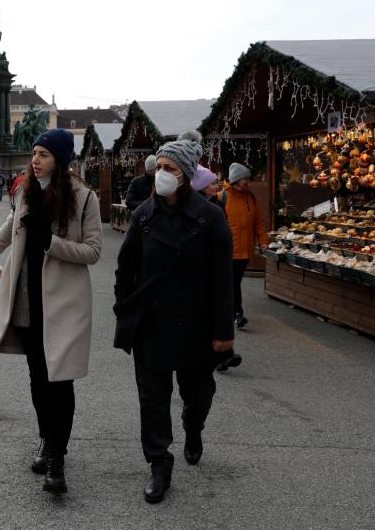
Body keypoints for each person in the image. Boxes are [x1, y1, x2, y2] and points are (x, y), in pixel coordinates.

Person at [0, 129, 103, 495]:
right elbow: (10, 225)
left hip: (63, 304)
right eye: (34, 152)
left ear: (60, 160)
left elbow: (94, 251)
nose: (36, 159)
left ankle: (58, 460)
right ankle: (47, 441)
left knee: (59, 382)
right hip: (28, 299)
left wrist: (51, 242)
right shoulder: (24, 190)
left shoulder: (83, 197)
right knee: (37, 379)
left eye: (44, 154)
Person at [113, 130, 234, 504]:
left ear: (184, 173)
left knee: (198, 394)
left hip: (196, 324)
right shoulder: (144, 215)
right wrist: (125, 311)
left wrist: (222, 332)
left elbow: (222, 279)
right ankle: (159, 465)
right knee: (152, 400)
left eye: (168, 168)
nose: (160, 174)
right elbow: (125, 270)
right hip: (152, 323)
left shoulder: (211, 217)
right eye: (158, 167)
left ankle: (193, 427)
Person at [192, 166, 243, 372]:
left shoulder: (217, 205)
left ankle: (223, 354)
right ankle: (220, 355)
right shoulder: (196, 208)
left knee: (217, 310)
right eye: (212, 183)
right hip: (201, 269)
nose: (217, 186)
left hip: (216, 264)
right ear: (202, 186)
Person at [221, 163, 269, 329]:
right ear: (236, 180)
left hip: (245, 250)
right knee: (233, 282)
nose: (248, 181)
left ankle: (228, 311)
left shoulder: (251, 198)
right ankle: (237, 313)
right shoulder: (223, 197)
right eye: (245, 178)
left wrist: (263, 241)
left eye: (248, 178)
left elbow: (258, 222)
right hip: (228, 250)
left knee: (234, 281)